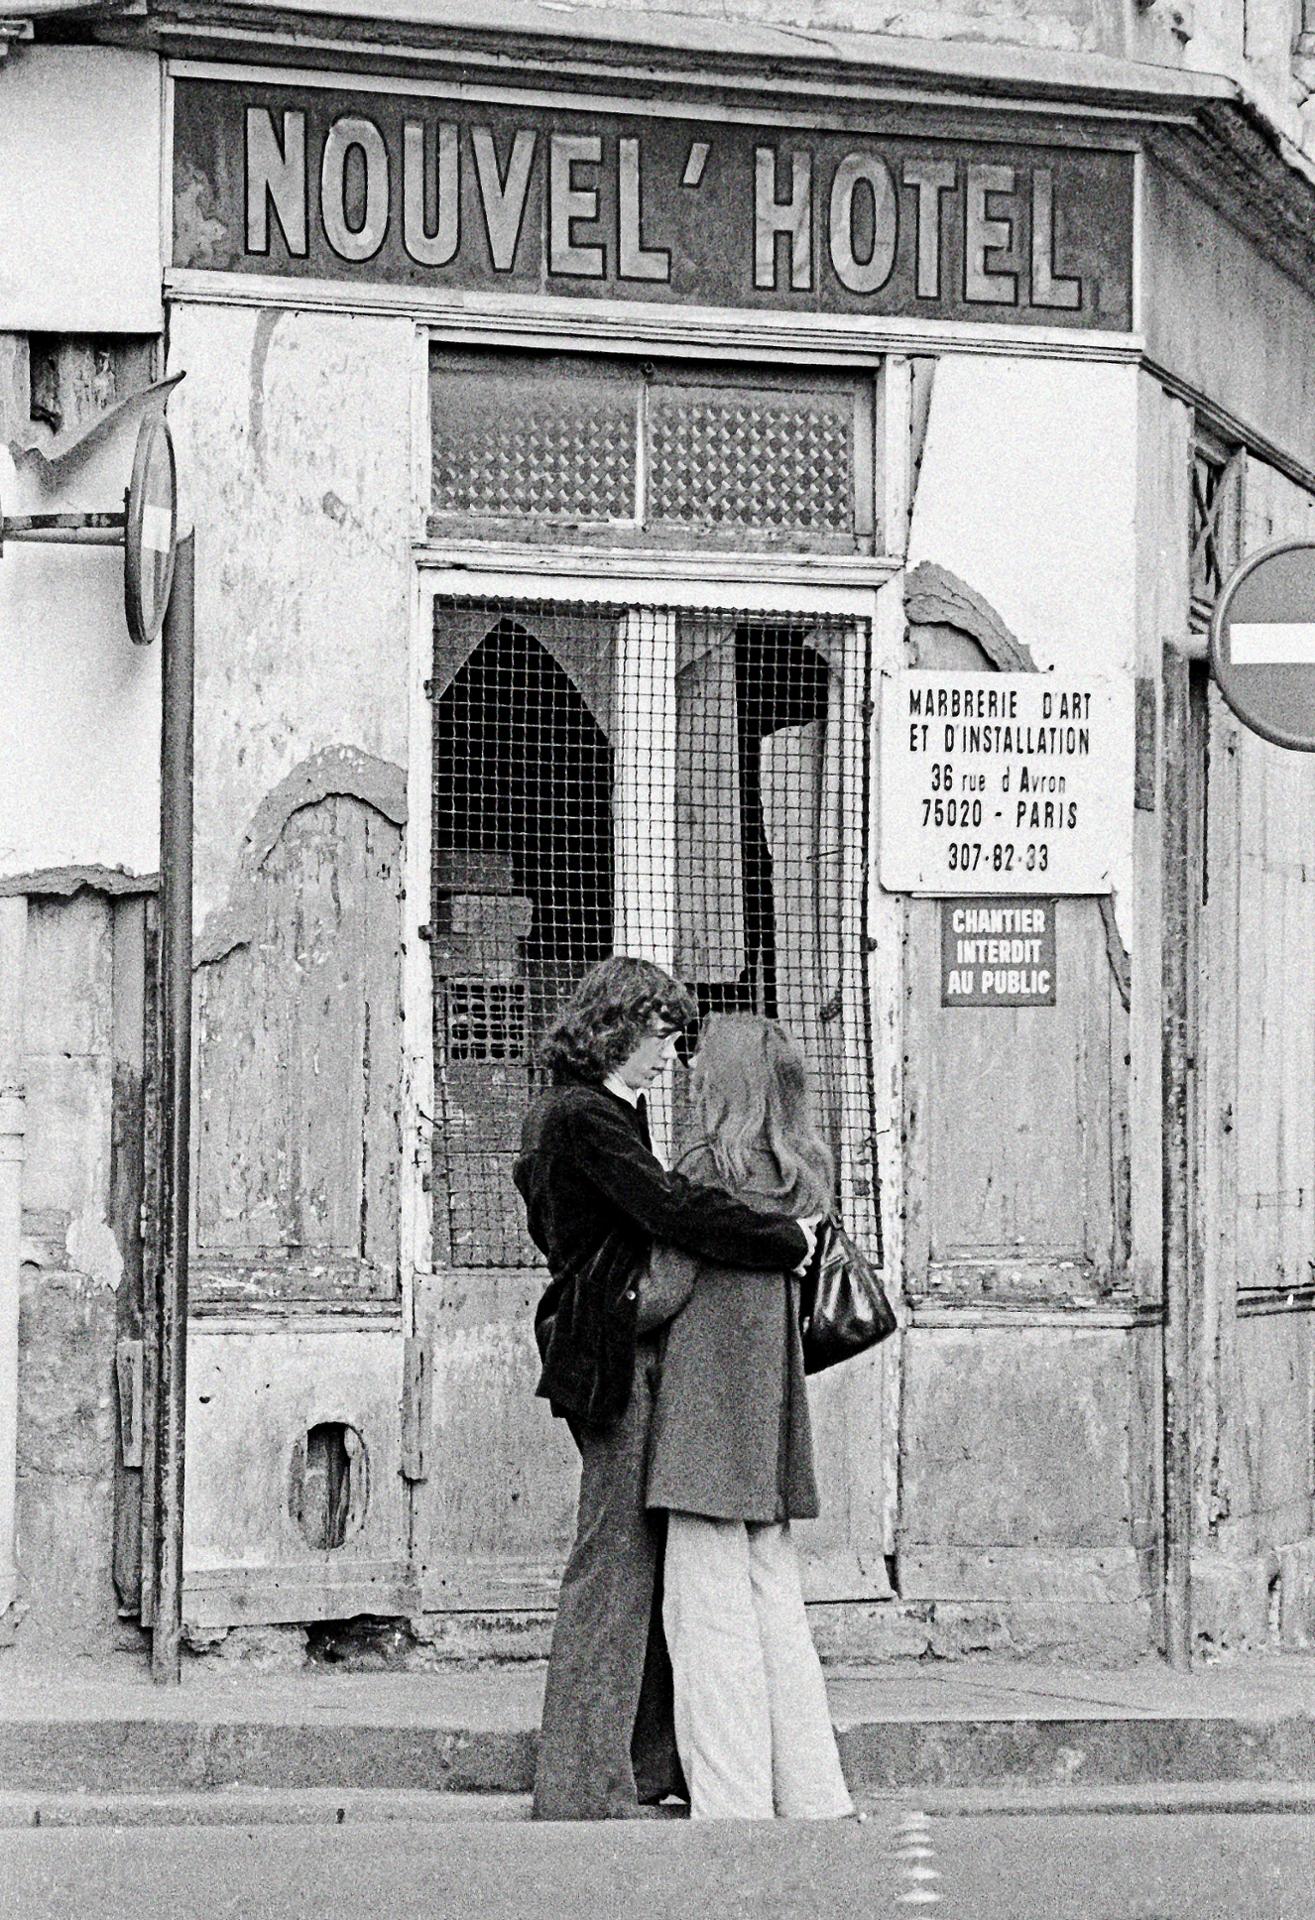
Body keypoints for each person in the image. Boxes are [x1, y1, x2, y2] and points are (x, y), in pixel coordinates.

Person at [514, 958, 817, 1822]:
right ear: (618, 1027)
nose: (668, 1054)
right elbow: (669, 1209)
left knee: (645, 1562)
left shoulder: (598, 1111)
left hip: (605, 1345)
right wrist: (782, 1239)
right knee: (611, 1567)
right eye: (660, 1036)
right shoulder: (582, 1117)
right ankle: (581, 1784)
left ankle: (646, 1768)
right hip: (606, 1351)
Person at [645, 1014, 854, 1821]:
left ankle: (730, 1799)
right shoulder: (804, 1172)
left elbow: (663, 1289)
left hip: (701, 1402)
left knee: (705, 1611)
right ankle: (811, 1792)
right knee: (774, 1604)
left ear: (717, 1084)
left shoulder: (703, 1168)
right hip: (769, 1404)